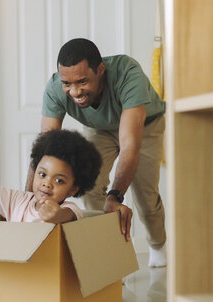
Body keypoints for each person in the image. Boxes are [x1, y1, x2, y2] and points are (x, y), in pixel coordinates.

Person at [30, 38, 167, 267]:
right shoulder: (55, 88)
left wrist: (115, 196)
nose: (74, 91)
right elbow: (45, 148)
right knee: (90, 188)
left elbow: (129, 145)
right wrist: (29, 199)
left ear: (100, 70)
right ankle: (108, 253)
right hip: (99, 129)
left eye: (82, 81)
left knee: (145, 195)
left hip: (145, 126)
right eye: (67, 83)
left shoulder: (128, 74)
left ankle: (158, 245)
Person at [0, 129, 102, 223]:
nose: (47, 183)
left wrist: (56, 215)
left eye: (59, 180)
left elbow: (66, 216)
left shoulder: (69, 209)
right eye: (42, 174)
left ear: (73, 189)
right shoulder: (18, 201)